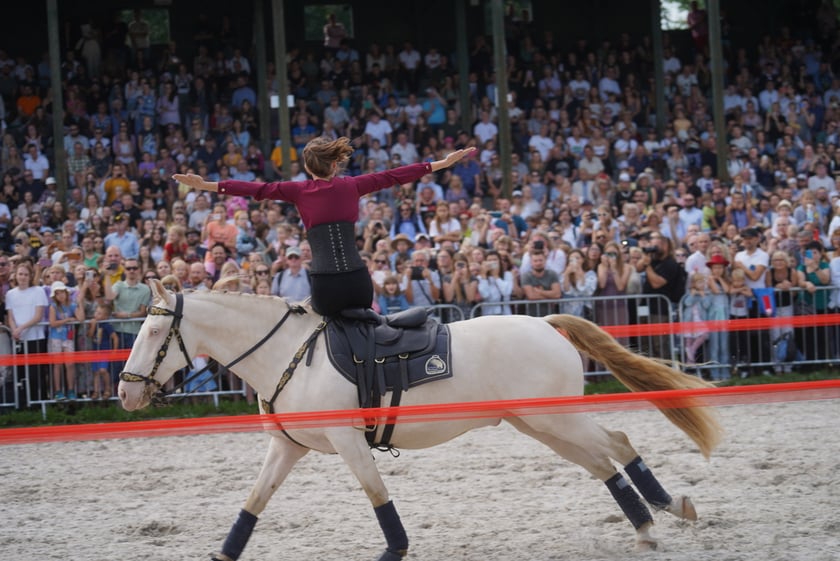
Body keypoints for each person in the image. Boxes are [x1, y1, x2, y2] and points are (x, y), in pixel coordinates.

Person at [174, 137, 475, 316]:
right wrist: (439, 164)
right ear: (334, 165)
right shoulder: (353, 185)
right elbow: (394, 175)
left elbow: (256, 189)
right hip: (357, 278)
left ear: (307, 168)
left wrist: (208, 186)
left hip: (324, 281)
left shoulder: (298, 190)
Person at [5, 261, 49, 401]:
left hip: (35, 338)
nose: (23, 277)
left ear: (30, 276)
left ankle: (39, 401)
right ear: (16, 275)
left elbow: (38, 315)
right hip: (18, 339)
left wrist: (21, 328)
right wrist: (14, 331)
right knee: (20, 372)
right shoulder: (10, 294)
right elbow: (10, 316)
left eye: (25, 274)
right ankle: (23, 403)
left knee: (36, 373)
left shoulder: (38, 291)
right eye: (20, 274)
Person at [88, 301, 117, 400]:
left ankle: (107, 390)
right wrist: (92, 326)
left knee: (103, 370)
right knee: (96, 372)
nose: (96, 314)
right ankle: (96, 391)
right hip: (95, 352)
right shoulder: (94, 324)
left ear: (105, 316)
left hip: (105, 351)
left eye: (99, 313)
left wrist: (114, 351)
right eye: (96, 312)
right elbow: (90, 335)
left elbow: (115, 337)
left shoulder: (106, 325)